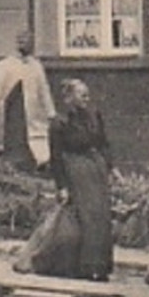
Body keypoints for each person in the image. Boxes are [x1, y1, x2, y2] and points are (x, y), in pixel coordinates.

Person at [48, 78, 116, 281]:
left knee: (101, 217)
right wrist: (62, 186)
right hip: (75, 172)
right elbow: (56, 156)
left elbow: (103, 143)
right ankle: (83, 267)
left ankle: (101, 265)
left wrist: (110, 168)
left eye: (87, 93)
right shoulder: (59, 122)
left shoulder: (94, 115)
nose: (87, 97)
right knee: (85, 219)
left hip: (96, 170)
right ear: (69, 98)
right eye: (81, 94)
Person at [0, 29, 56, 170]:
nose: (26, 44)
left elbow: (44, 92)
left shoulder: (36, 66)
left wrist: (51, 114)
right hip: (11, 116)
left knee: (40, 151)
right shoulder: (4, 66)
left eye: (29, 41)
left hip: (33, 118)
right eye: (22, 41)